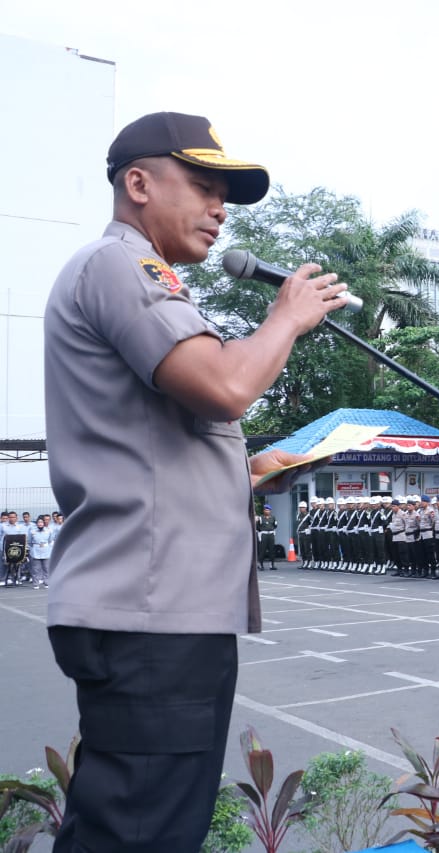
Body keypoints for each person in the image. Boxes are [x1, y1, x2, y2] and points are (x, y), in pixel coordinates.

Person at [44, 112, 346, 852]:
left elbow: (160, 446)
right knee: (140, 833)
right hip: (150, 612)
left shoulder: (153, 282)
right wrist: (288, 317)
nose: (219, 208)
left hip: (168, 611)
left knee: (150, 826)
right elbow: (224, 385)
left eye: (225, 195)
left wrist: (249, 470)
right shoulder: (123, 266)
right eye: (204, 186)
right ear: (138, 184)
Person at [28, 516, 54, 589]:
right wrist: (32, 550)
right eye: (38, 522)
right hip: (36, 551)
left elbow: (50, 540)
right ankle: (36, 583)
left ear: (44, 523)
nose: (40, 524)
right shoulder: (32, 531)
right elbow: (29, 541)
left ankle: (47, 583)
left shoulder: (49, 530)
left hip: (46, 551)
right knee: (36, 569)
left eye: (41, 522)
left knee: (46, 568)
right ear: (36, 523)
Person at [255, 504, 278, 571]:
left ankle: (272, 565)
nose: (267, 511)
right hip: (264, 535)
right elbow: (257, 526)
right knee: (262, 550)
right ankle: (261, 564)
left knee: (272, 550)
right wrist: (261, 532)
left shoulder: (273, 517)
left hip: (271, 534)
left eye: (268, 510)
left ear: (270, 511)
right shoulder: (260, 518)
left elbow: (275, 525)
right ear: (264, 510)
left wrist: (271, 530)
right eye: (265, 510)